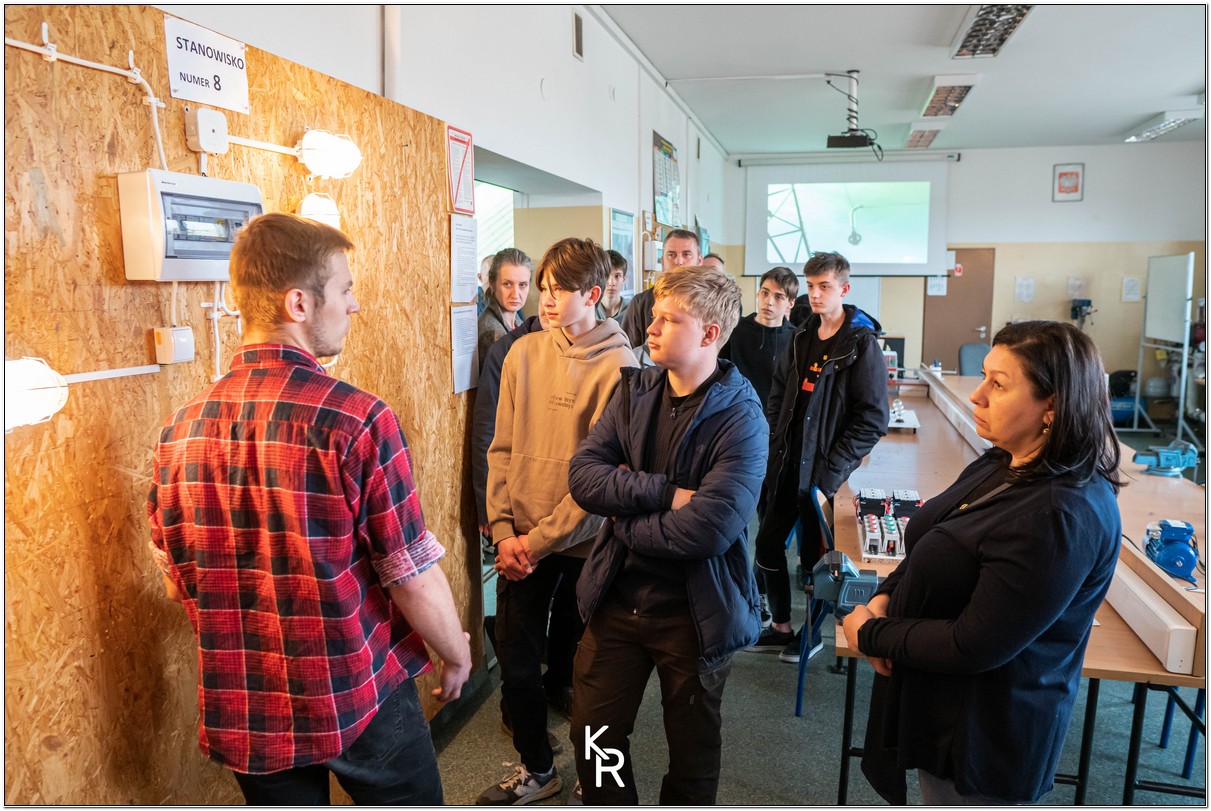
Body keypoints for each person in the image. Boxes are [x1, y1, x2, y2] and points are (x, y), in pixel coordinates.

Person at [147, 213, 471, 804]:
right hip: (356, 688)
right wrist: (456, 651)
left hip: (248, 705)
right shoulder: (357, 419)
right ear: (298, 302)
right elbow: (410, 574)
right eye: (344, 289)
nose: (353, 305)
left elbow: (177, 584)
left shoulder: (178, 431)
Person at [843, 321, 1123, 805]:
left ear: (1052, 406)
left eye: (998, 384)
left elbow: (974, 644)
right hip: (943, 708)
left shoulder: (1058, 514)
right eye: (984, 377)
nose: (977, 395)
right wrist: (885, 596)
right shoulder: (1003, 462)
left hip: (982, 738)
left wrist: (869, 632)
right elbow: (935, 537)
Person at [568, 264, 767, 805]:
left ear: (709, 334)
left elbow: (709, 528)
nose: (651, 328)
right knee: (595, 737)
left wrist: (623, 519)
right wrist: (665, 493)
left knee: (691, 752)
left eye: (670, 320)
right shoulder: (633, 390)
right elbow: (583, 476)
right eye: (654, 316)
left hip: (695, 611)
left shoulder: (742, 418)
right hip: (618, 599)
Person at [478, 238, 638, 805]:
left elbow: (604, 482)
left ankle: (598, 780)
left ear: (592, 294)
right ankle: (537, 770)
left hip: (583, 547)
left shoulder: (621, 367)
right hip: (520, 544)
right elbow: (500, 450)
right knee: (517, 665)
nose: (544, 300)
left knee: (588, 681)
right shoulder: (522, 353)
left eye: (558, 291)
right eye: (541, 289)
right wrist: (504, 532)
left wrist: (537, 541)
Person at [746, 251, 888, 663]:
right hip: (786, 463)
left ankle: (812, 634)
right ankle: (780, 626)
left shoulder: (860, 344)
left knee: (815, 562)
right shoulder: (801, 334)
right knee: (767, 546)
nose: (816, 294)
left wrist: (833, 468)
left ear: (844, 289)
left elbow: (872, 420)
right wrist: (774, 439)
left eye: (824, 286)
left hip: (823, 474)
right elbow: (779, 393)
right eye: (810, 286)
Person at [720, 266, 798, 408]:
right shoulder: (734, 328)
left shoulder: (796, 339)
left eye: (778, 297)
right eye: (765, 293)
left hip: (773, 416)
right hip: (734, 411)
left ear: (791, 303)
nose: (769, 301)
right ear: (758, 293)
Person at [619, 228, 701, 349]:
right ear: (662, 261)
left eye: (686, 254)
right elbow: (626, 353)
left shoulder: (712, 303)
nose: (679, 261)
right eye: (671, 255)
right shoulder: (640, 304)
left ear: (699, 261)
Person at [477, 248, 532, 371]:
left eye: (522, 285)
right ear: (492, 284)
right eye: (507, 284)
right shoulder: (491, 333)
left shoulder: (516, 320)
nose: (516, 294)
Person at [596, 249, 631, 324]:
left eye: (617, 276)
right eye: (606, 275)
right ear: (599, 278)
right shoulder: (590, 311)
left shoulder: (632, 310)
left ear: (624, 279)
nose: (611, 283)